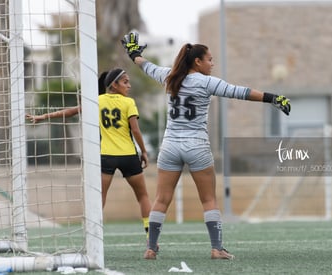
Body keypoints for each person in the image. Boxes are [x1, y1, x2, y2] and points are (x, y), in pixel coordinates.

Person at [121, 31, 291, 260]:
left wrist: (134, 54)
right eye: (209, 59)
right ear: (197, 61)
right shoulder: (206, 82)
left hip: (170, 145)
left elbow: (145, 65)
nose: (212, 63)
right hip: (196, 145)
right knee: (208, 199)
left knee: (161, 199)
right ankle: (216, 248)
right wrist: (273, 98)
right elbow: (240, 92)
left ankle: (151, 248)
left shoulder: (169, 76)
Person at [26, 69, 152, 240]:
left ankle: (94, 237)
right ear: (113, 85)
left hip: (106, 155)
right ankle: (150, 238)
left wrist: (43, 117)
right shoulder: (128, 102)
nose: (129, 85)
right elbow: (135, 130)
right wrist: (143, 151)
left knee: (100, 198)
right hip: (129, 156)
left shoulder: (97, 101)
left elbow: (70, 112)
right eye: (125, 82)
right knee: (143, 196)